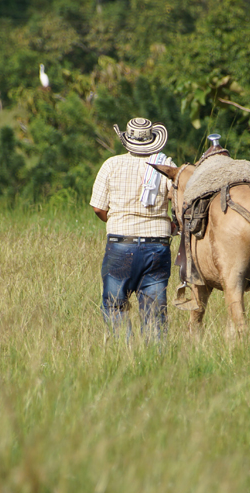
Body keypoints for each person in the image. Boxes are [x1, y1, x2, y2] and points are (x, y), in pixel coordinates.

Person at [89, 117, 177, 340]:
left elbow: (98, 208)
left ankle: (125, 355)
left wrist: (117, 221)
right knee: (154, 313)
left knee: (114, 306)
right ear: (152, 140)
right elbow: (179, 203)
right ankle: (156, 362)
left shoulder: (111, 164)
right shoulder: (166, 165)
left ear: (127, 139)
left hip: (121, 244)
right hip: (157, 245)